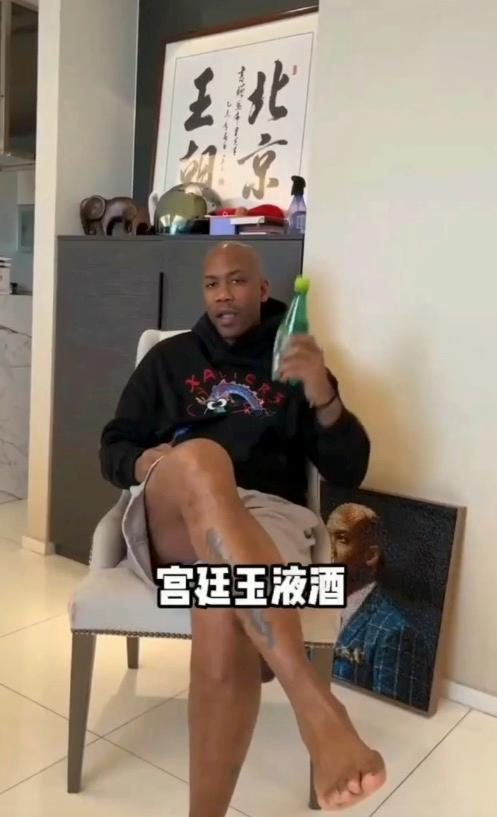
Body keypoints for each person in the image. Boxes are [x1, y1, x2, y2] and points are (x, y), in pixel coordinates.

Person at [99, 241, 386, 814]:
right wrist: (150, 461)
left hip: (267, 518)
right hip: (175, 514)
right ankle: (314, 704)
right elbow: (113, 448)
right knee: (204, 460)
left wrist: (323, 394)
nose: (223, 295)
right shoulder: (171, 360)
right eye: (212, 284)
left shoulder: (294, 361)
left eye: (237, 281)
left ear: (262, 289)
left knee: (222, 606)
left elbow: (349, 470)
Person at [328, 503, 431, 710]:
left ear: (371, 556)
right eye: (324, 536)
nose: (327, 548)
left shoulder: (396, 633)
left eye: (342, 539)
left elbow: (393, 716)